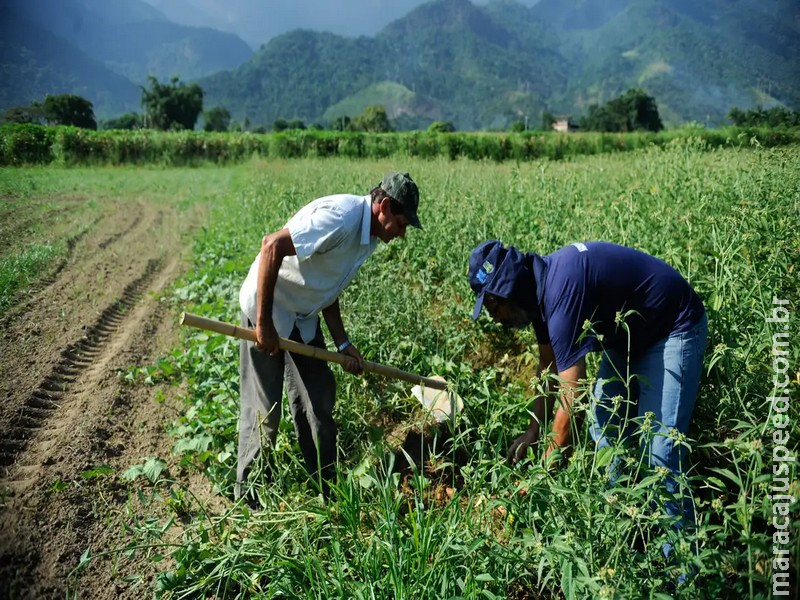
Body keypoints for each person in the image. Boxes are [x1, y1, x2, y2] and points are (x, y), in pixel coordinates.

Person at [467, 240, 707, 531]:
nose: (494, 317)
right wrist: (533, 429)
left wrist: (546, 470)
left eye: (492, 305)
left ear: (508, 289)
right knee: (604, 427)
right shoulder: (537, 293)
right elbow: (548, 367)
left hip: (672, 328)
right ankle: (621, 526)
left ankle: (680, 568)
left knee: (661, 454)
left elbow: (574, 394)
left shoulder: (560, 291)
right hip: (626, 339)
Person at [236, 172, 421, 501]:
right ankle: (247, 499)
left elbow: (328, 287)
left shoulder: (368, 238)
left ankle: (325, 486)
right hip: (268, 306)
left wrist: (344, 344)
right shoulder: (342, 218)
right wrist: (262, 323)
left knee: (318, 399)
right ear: (385, 207)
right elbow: (271, 245)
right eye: (403, 224)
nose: (403, 234)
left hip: (302, 316)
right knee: (265, 413)